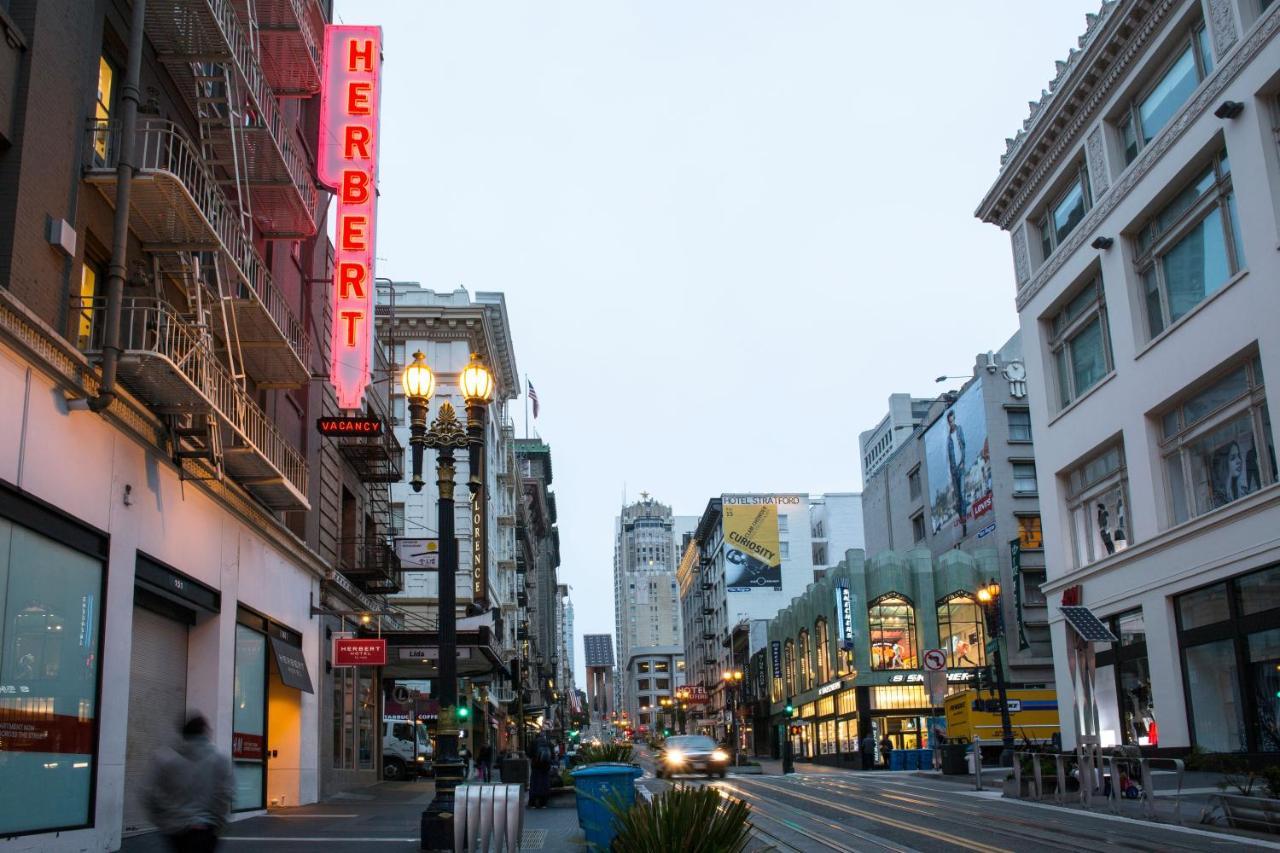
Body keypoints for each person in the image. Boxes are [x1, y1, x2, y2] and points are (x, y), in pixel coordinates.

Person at [143, 713, 234, 853]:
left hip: (175, 828)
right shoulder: (219, 760)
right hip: (206, 826)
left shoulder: (165, 759)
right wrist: (219, 824)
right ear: (205, 732)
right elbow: (225, 795)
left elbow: (150, 794)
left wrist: (164, 821)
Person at [946, 410, 968, 536]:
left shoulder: (959, 430)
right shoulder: (948, 438)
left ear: (954, 418)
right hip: (954, 470)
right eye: (949, 421)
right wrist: (951, 472)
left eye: (952, 420)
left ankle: (964, 524)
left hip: (961, 467)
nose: (951, 423)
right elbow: (949, 456)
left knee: (963, 495)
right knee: (958, 499)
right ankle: (962, 521)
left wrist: (963, 461)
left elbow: (963, 445)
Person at [528, 732, 554, 809]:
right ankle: (543, 803)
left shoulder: (533, 742)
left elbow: (529, 753)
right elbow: (552, 755)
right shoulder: (548, 743)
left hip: (535, 766)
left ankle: (532, 803)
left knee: (534, 783)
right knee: (545, 783)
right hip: (546, 767)